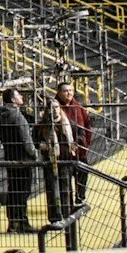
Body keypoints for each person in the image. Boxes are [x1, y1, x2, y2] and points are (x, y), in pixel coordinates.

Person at [0, 85, 38, 232]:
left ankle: (13, 223)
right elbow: (27, 140)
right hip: (23, 159)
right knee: (23, 191)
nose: (22, 97)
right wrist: (34, 154)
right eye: (19, 95)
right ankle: (22, 222)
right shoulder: (18, 116)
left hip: (10, 157)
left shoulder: (1, 116)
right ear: (13, 99)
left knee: (13, 190)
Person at [34, 87, 76, 227]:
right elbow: (35, 142)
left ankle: (67, 214)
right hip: (49, 161)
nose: (55, 110)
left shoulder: (66, 123)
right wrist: (43, 146)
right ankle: (54, 217)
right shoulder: (41, 126)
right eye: (52, 108)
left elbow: (77, 135)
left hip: (65, 160)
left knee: (65, 188)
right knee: (52, 189)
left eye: (57, 107)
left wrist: (75, 146)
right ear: (47, 110)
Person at [55, 80, 92, 217]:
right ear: (59, 93)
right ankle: (67, 207)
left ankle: (80, 198)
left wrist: (85, 143)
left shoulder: (78, 106)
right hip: (64, 153)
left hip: (80, 151)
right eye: (65, 91)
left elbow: (87, 126)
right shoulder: (55, 107)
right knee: (65, 180)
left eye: (71, 90)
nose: (69, 93)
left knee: (83, 173)